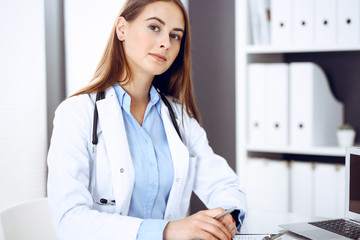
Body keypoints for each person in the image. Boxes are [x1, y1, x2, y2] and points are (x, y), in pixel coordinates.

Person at [47, 0, 247, 239]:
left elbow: (224, 184)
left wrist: (227, 216)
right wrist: (167, 231)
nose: (165, 43)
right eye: (154, 27)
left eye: (175, 36)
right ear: (122, 29)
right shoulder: (77, 113)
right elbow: (69, 221)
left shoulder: (179, 117)